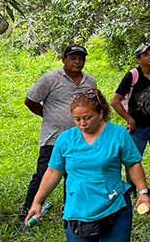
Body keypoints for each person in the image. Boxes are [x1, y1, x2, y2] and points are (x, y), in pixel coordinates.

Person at [24, 89, 150, 242]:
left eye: (88, 118)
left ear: (101, 113)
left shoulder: (117, 135)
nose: (82, 123)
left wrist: (143, 193)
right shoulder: (66, 140)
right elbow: (53, 172)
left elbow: (133, 164)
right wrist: (37, 202)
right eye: (77, 119)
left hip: (113, 207)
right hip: (78, 211)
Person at [20, 44, 97, 227]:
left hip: (80, 138)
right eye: (73, 58)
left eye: (81, 58)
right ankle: (28, 211)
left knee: (74, 176)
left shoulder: (90, 82)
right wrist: (49, 115)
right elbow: (30, 101)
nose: (77, 62)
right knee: (43, 174)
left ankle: (70, 213)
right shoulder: (50, 79)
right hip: (53, 138)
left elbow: (93, 105)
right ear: (64, 60)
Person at [111, 44, 150, 196]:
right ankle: (132, 188)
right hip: (138, 126)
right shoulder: (132, 76)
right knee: (133, 157)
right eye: (146, 54)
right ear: (139, 59)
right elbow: (115, 101)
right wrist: (129, 119)